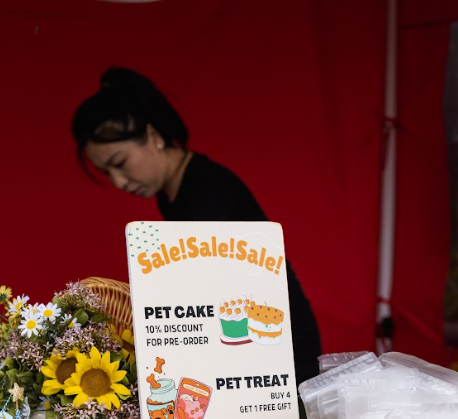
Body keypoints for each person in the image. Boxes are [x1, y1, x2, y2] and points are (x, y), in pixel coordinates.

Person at [72, 68, 322, 385]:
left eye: (120, 163)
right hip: (250, 345)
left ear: (153, 136)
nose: (119, 181)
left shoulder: (207, 193)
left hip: (278, 355)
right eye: (107, 173)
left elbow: (208, 300)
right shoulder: (174, 194)